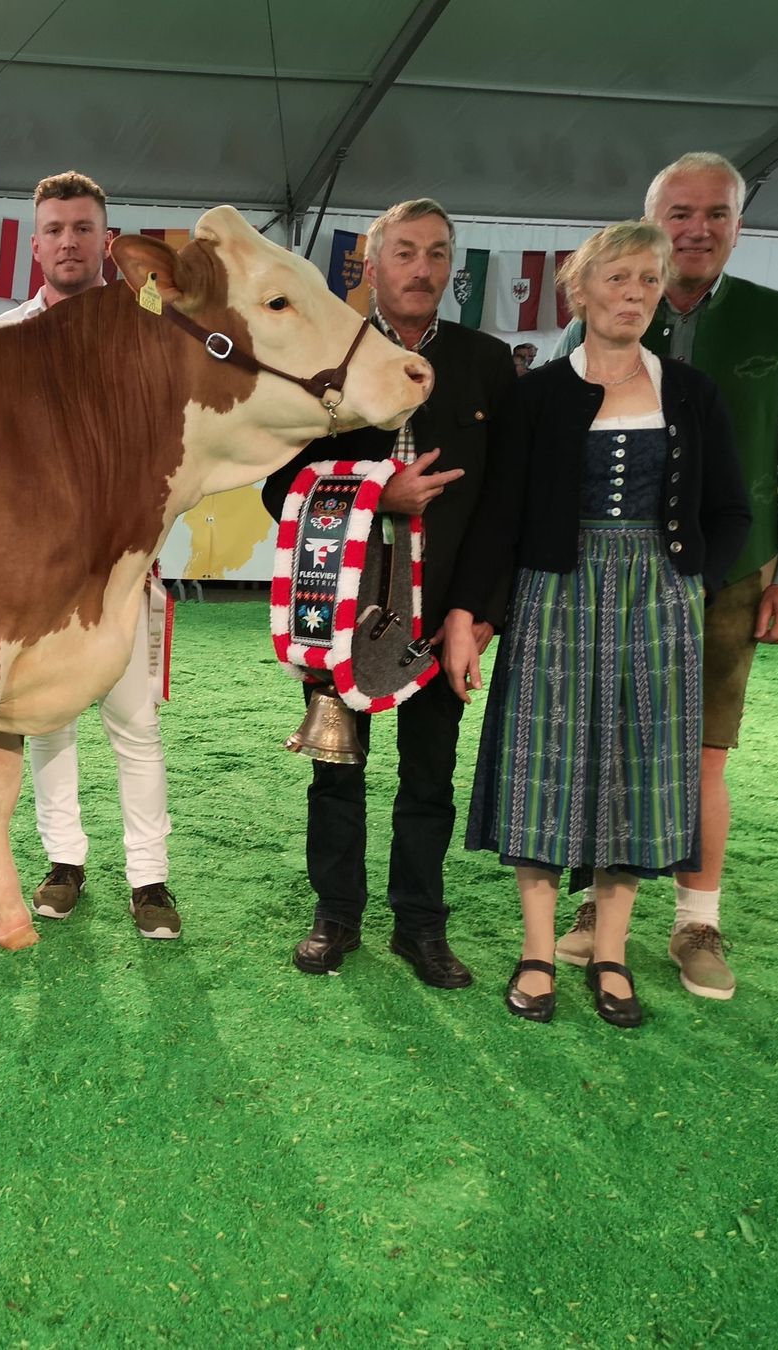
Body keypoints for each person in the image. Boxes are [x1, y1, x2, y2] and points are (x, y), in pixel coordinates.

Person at [444, 220, 750, 1027]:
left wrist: (692, 580)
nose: (634, 295)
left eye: (648, 281)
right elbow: (501, 514)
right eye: (617, 279)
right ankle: (539, 950)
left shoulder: (691, 392)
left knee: (641, 773)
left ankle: (611, 951)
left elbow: (730, 510)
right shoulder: (537, 394)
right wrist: (472, 615)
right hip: (556, 593)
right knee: (546, 766)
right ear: (579, 291)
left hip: (659, 602)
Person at [552, 153, 778, 1001]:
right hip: (610, 577)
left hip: (728, 577)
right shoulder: (594, 319)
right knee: (607, 746)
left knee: (701, 759)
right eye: (680, 212)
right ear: (653, 220)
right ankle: (600, 918)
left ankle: (695, 921)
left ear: (737, 226)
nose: (697, 228)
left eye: (716, 213)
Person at [261, 198, 516, 988]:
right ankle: (335, 916)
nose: (422, 269)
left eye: (438, 254)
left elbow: (504, 503)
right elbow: (280, 486)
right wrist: (379, 494)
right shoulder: (323, 354)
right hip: (339, 606)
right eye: (404, 253)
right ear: (369, 267)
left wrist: (474, 613)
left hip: (442, 612)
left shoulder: (486, 362)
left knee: (430, 776)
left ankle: (420, 925)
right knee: (335, 769)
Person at [0, 170, 181, 941]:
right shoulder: (1, 338)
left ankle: (151, 879)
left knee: (134, 726)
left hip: (122, 565)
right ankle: (63, 861)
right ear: (35, 244)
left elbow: (171, 453)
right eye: (55, 229)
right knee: (48, 724)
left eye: (83, 228)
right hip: (36, 572)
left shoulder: (153, 331)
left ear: (110, 241)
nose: (69, 241)